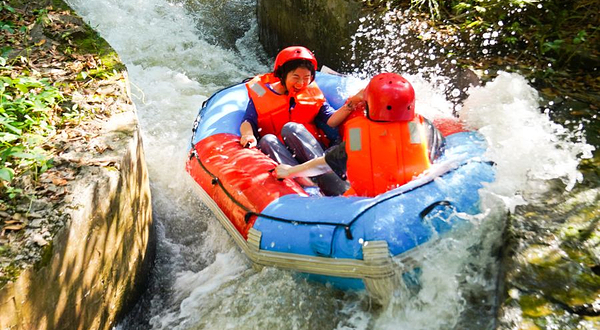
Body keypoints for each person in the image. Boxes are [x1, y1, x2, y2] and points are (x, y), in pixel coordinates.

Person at [275, 73, 445, 197]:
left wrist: (290, 171)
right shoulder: (423, 127)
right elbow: (439, 154)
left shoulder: (360, 138)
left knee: (326, 176)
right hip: (417, 196)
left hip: (366, 205)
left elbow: (323, 165)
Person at [239, 46, 349, 196]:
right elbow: (248, 120)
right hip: (284, 159)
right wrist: (247, 135)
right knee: (267, 140)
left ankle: (326, 176)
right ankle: (307, 185)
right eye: (296, 77)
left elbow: (331, 120)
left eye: (306, 78)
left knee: (291, 128)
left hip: (312, 154)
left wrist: (350, 105)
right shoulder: (262, 93)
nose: (301, 83)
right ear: (283, 75)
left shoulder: (312, 93)